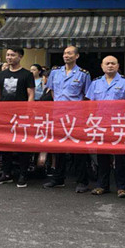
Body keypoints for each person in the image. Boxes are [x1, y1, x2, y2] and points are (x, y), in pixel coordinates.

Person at [84, 56, 125, 198]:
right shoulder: (95, 83)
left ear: (118, 66)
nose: (110, 66)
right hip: (101, 124)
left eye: (113, 63)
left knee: (120, 158)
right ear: (102, 66)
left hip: (119, 124)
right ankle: (102, 185)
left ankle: (122, 188)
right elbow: (90, 104)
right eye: (107, 63)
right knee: (102, 157)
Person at [42, 46, 91, 192]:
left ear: (77, 56)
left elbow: (87, 96)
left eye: (69, 53)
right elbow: (52, 91)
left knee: (78, 149)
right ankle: (58, 178)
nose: (66, 56)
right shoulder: (55, 72)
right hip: (59, 115)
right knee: (59, 148)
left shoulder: (83, 74)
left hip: (76, 116)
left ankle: (82, 181)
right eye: (64, 53)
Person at [0, 48, 35, 188]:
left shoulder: (27, 74)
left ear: (20, 56)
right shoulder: (1, 74)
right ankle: (6, 173)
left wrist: (28, 113)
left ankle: (23, 174)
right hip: (4, 115)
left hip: (21, 114)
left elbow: (31, 94)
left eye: (12, 55)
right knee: (5, 144)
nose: (9, 57)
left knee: (22, 144)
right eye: (8, 55)